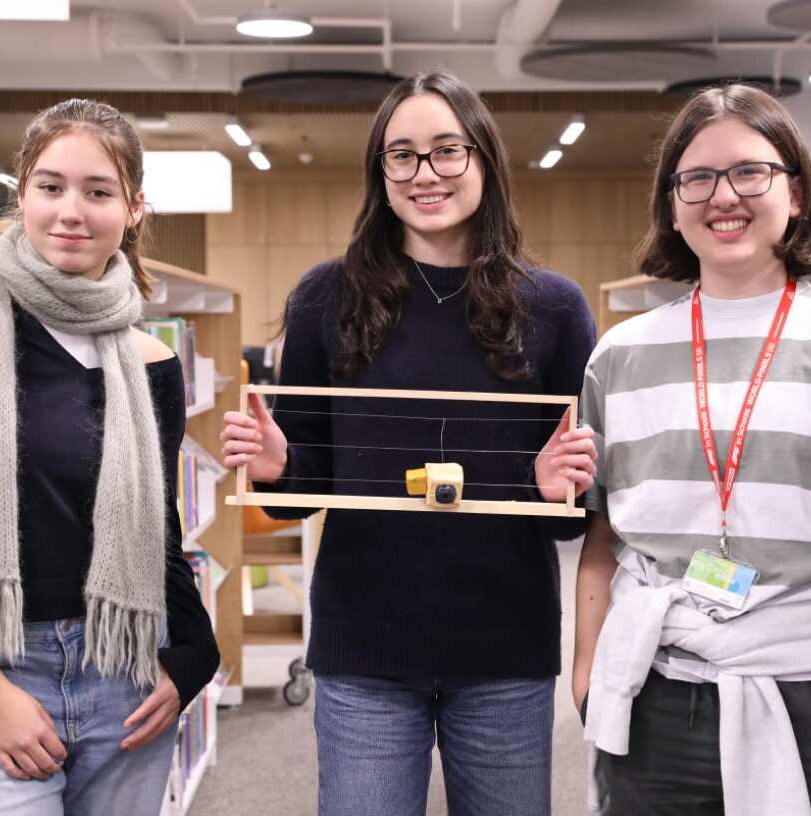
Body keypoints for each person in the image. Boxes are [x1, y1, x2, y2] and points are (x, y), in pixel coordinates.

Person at [572, 83, 811, 816]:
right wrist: (587, 675)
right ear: (671, 203)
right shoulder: (616, 357)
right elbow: (602, 539)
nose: (725, 196)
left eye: (751, 172)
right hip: (654, 691)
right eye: (698, 178)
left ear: (798, 193)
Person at [221, 72, 597, 816]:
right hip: (364, 646)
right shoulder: (326, 297)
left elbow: (572, 516)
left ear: (484, 161)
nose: (425, 174)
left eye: (447, 151)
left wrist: (557, 489)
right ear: (380, 173)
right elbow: (306, 487)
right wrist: (278, 467)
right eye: (403, 156)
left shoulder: (552, 307)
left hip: (505, 649)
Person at [0, 98, 220, 816]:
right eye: (51, 187)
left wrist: (194, 661)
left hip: (125, 673)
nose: (71, 212)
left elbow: (159, 536)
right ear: (20, 192)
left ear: (134, 208)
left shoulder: (150, 362)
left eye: (98, 192)